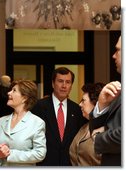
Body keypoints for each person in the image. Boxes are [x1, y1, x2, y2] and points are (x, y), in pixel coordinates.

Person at [31, 67, 87, 166]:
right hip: (44, 164)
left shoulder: (77, 110)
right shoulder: (38, 107)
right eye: (60, 81)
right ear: (53, 84)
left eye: (68, 82)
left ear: (71, 86)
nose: (64, 86)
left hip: (70, 165)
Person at [0, 80, 47, 166]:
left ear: (25, 98)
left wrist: (10, 154)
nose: (9, 93)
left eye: (14, 90)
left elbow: (40, 153)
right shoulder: (1, 121)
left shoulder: (37, 123)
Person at [90, 35, 121, 166]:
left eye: (118, 50)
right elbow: (94, 129)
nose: (113, 56)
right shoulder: (118, 88)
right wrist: (102, 105)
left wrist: (98, 137)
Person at [69, 82, 105, 166]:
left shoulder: (109, 130)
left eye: (83, 100)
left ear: (95, 103)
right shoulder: (84, 127)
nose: (80, 104)